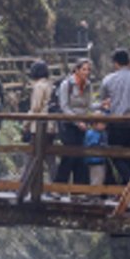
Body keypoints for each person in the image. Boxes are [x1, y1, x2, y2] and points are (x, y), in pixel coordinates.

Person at [99, 47, 130, 186]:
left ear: (115, 63)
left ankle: (129, 182)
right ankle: (128, 187)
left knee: (115, 154)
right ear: (129, 62)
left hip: (116, 122)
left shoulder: (108, 80)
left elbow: (103, 101)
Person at [55, 57, 96, 187]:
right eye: (84, 69)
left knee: (80, 156)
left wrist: (102, 105)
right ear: (77, 70)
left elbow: (89, 105)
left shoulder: (88, 85)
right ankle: (59, 187)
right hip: (68, 124)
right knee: (69, 155)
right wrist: (77, 122)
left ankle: (79, 190)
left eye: (88, 69)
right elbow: (64, 106)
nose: (87, 72)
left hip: (83, 125)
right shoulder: (67, 84)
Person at [18, 58, 53, 191]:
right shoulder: (50, 85)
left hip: (39, 126)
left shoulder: (39, 86)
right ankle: (54, 186)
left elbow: (35, 108)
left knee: (31, 155)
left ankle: (24, 186)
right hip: (50, 125)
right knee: (49, 157)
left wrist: (25, 124)